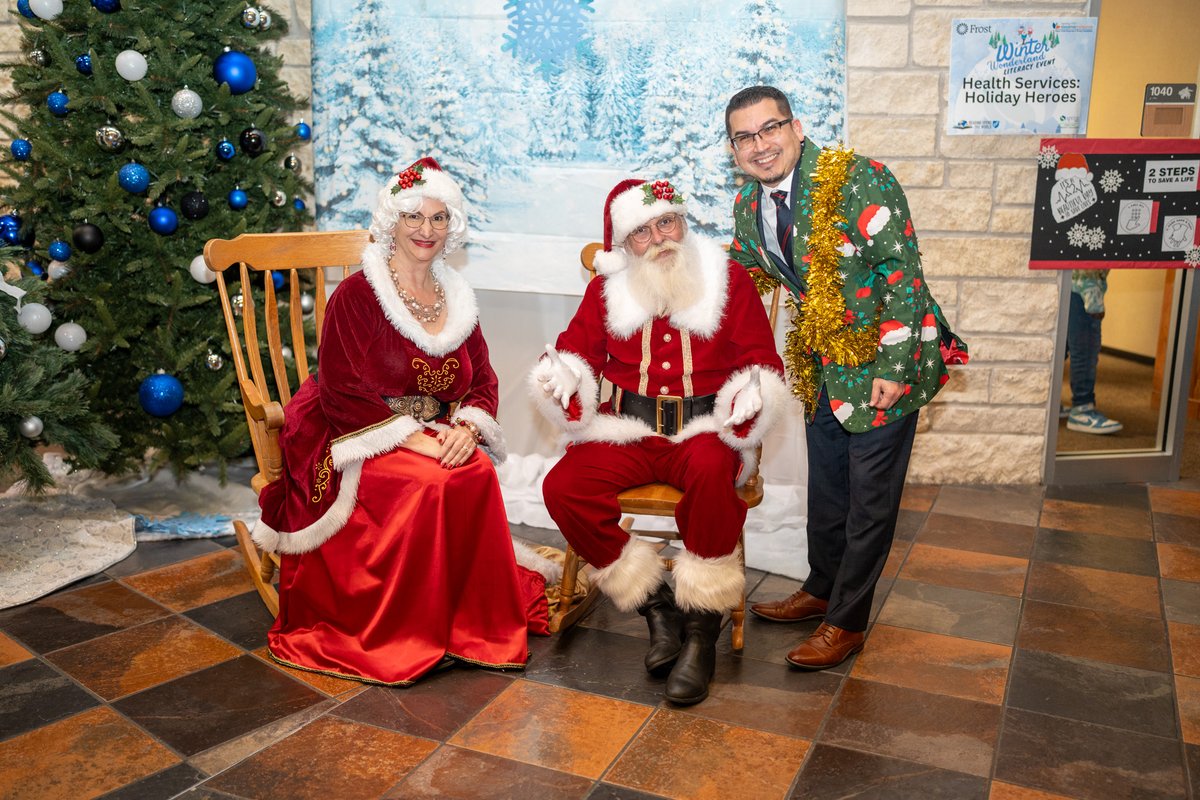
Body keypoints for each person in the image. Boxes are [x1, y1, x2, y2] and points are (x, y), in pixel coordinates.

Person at [251, 157, 559, 686]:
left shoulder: (458, 298)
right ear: (392, 222)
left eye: (439, 219)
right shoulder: (357, 296)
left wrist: (466, 429)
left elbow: (482, 378)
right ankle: (402, 632)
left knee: (476, 472)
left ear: (451, 227)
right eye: (415, 217)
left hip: (435, 430)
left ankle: (465, 625)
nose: (426, 230)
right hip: (349, 429)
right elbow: (342, 390)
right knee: (427, 484)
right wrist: (417, 441)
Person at [724, 85, 968, 670]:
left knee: (869, 501)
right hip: (825, 363)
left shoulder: (858, 179)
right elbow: (739, 273)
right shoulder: (748, 206)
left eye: (770, 128)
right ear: (733, 150)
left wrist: (892, 367)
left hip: (889, 360)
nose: (761, 145)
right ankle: (821, 587)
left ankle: (847, 621)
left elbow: (902, 274)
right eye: (744, 137)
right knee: (830, 489)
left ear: (797, 127)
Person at [531, 177, 787, 705]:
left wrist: (750, 397)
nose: (659, 237)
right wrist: (563, 380)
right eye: (642, 232)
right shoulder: (607, 289)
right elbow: (575, 354)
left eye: (666, 222)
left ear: (682, 222)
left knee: (715, 473)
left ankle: (700, 628)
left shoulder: (727, 279)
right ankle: (655, 604)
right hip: (629, 429)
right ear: (625, 245)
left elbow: (762, 363)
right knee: (563, 488)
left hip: (704, 429)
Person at [1063, 269, 1122, 434]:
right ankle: (1082, 409)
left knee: (1063, 344)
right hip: (1084, 284)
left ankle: (1048, 401)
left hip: (1068, 280)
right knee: (1085, 346)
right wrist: (1094, 299)